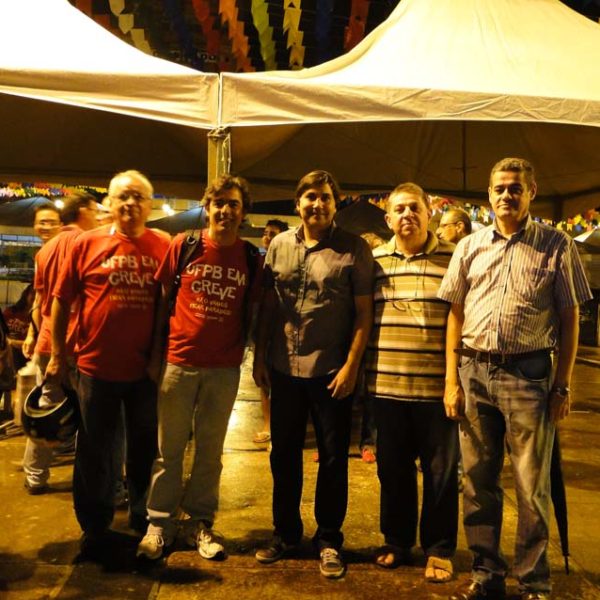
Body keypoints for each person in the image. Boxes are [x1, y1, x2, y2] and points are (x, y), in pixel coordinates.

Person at [438, 158, 592, 600]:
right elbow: (455, 314)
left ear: (531, 193)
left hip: (529, 375)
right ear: (489, 194)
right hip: (475, 372)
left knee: (531, 485)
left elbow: (570, 318)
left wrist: (563, 384)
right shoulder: (469, 246)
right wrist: (451, 380)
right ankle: (486, 574)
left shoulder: (557, 245)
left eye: (515, 188)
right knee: (477, 482)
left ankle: (532, 582)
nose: (507, 195)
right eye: (500, 188)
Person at [253, 170, 373, 579]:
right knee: (283, 455)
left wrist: (352, 366)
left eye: (325, 197)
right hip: (284, 367)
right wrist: (259, 357)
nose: (317, 204)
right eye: (310, 197)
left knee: (334, 459)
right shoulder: (279, 245)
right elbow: (269, 306)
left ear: (335, 204)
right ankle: (286, 534)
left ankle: (328, 539)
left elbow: (363, 315)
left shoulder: (354, 249)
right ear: (298, 203)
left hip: (331, 371)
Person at [137, 174, 262, 561]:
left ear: (243, 211)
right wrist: (156, 354)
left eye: (233, 204)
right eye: (219, 203)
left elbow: (253, 310)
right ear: (207, 208)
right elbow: (162, 302)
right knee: (168, 450)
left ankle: (198, 522)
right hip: (179, 362)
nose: (225, 210)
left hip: (223, 369)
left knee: (210, 451)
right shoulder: (184, 245)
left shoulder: (250, 257)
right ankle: (159, 523)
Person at [47, 170, 170, 557]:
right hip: (94, 369)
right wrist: (58, 355)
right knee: (94, 452)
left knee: (144, 449)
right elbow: (61, 300)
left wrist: (159, 358)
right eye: (123, 197)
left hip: (145, 372)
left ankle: (141, 516)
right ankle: (94, 526)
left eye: (138, 197)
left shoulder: (163, 245)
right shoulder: (85, 243)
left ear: (149, 206)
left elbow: (167, 307)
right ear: (110, 204)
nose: (130, 203)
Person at [365, 183, 458, 582]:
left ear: (429, 213)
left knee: (441, 474)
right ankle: (397, 540)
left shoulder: (453, 257)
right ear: (388, 219)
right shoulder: (374, 261)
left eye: (415, 208)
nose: (408, 215)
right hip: (386, 385)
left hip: (437, 389)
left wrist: (454, 381)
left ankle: (439, 549)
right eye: (400, 209)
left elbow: (462, 319)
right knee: (393, 471)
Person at [21, 192, 99, 494]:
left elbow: (40, 301)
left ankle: (35, 476)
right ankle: (88, 483)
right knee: (88, 418)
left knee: (47, 410)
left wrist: (35, 335)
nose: (98, 216)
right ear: (82, 211)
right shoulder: (87, 243)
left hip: (48, 341)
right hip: (78, 342)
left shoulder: (45, 250)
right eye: (94, 210)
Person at [253, 218, 289, 444]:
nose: (267, 237)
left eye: (272, 233)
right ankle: (267, 424)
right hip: (262, 323)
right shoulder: (258, 261)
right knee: (263, 378)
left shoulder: (286, 260)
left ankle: (279, 426)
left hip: (281, 327)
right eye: (265, 233)